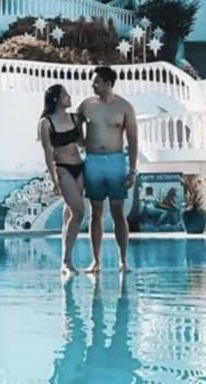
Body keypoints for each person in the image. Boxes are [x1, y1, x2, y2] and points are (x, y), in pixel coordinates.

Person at [77, 66, 138, 273]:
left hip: (116, 161)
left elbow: (133, 139)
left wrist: (132, 170)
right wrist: (81, 142)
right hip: (93, 161)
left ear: (108, 83)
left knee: (118, 211)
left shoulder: (124, 107)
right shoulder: (86, 105)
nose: (92, 85)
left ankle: (123, 261)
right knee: (95, 212)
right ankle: (96, 261)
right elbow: (74, 127)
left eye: (96, 81)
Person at [39, 83, 85, 275]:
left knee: (70, 213)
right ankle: (66, 261)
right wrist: (54, 180)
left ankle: (65, 259)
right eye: (66, 95)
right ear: (56, 98)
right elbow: (48, 154)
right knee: (79, 212)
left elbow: (82, 143)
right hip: (63, 168)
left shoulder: (75, 118)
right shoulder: (46, 123)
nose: (69, 97)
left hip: (79, 168)